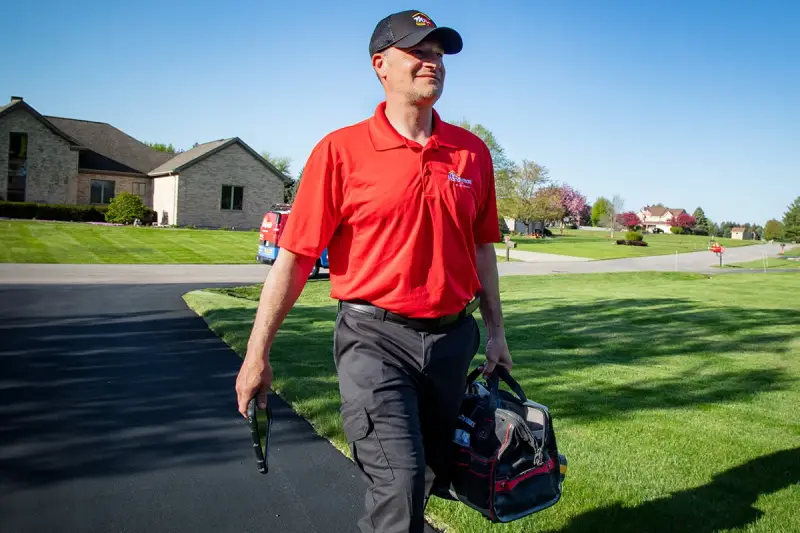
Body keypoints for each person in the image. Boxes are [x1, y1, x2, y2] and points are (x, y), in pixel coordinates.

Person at [235, 9, 512, 533]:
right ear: (380, 65)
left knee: (429, 475)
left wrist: (496, 333)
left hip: (454, 342)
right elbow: (293, 259)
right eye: (419, 52)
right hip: (374, 340)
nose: (433, 63)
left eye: (439, 55)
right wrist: (257, 355)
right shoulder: (340, 151)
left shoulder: (471, 154)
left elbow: (482, 250)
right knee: (399, 485)